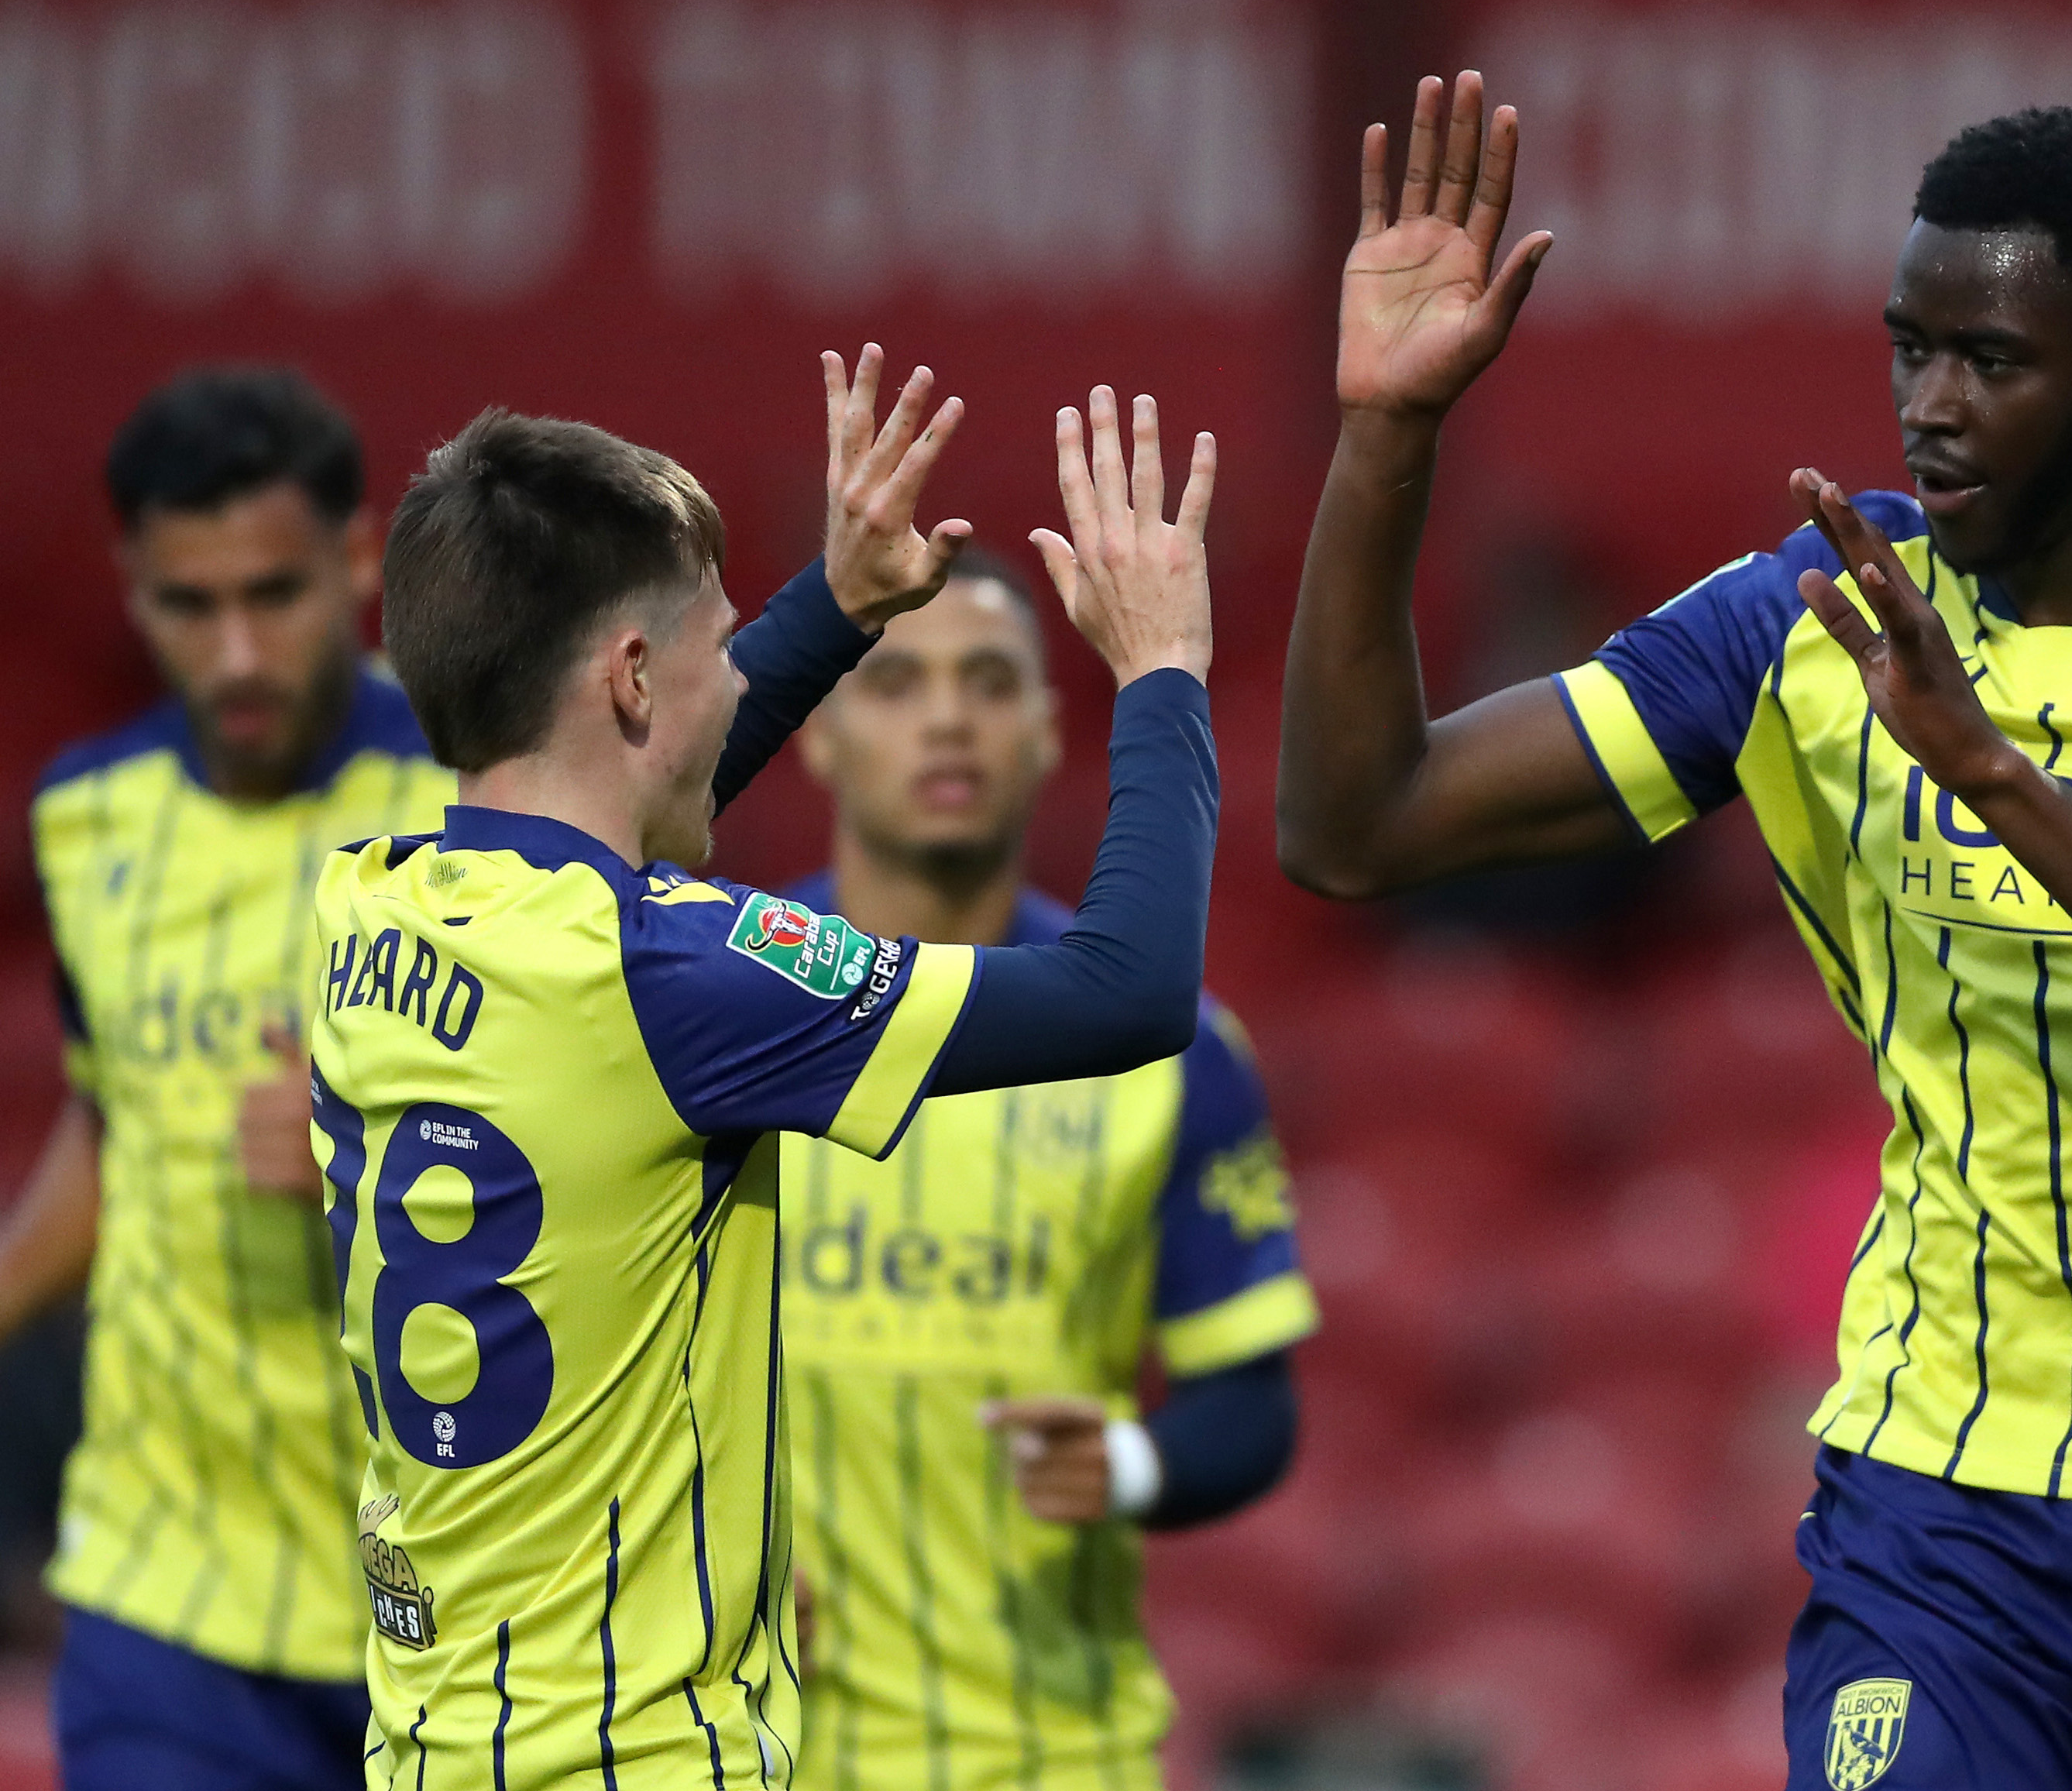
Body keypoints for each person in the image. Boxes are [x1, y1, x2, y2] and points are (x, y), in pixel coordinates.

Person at [1279, 80, 2072, 1787]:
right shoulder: (1821, 613)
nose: (1928, 406)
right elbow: (1356, 825)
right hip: (1943, 1509)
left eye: (1989, 361)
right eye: (1907, 348)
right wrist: (1389, 432)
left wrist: (1994, 776)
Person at [313, 359, 1222, 1788]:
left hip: (433, 1741)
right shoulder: (673, 975)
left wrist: (845, 601)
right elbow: (1132, 986)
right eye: (717, 645)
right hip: (637, 1757)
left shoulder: (368, 905)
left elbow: (605, 832)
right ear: (627, 675)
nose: (738, 674)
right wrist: (1163, 670)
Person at [782, 547, 1317, 1791]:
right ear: (814, 735)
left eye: (987, 682)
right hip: (748, 1752)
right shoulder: (715, 1014)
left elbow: (1254, 1405)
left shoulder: (1173, 1053)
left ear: (1042, 732)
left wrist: (1135, 1462)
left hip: (1052, 1751)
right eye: (896, 685)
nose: (949, 719)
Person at [0, 370, 452, 1789]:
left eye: (277, 591)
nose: (240, 649)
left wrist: (373, 1150)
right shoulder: (86, 816)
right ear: (131, 585)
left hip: (439, 1587)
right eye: (188, 605)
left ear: (361, 559)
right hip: (164, 1583)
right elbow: (110, 1113)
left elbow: (636, 1157)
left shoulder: (486, 809)